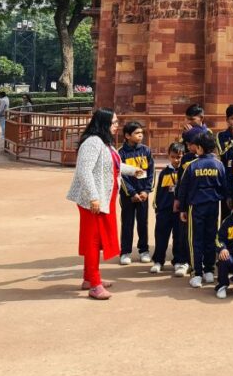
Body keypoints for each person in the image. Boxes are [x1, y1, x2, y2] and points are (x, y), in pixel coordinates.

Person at [66, 108, 145, 300]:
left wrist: (132, 170)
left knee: (96, 240)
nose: (117, 126)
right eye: (114, 122)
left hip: (103, 197)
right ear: (104, 123)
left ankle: (88, 278)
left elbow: (113, 165)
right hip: (93, 200)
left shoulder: (104, 143)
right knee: (93, 241)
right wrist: (93, 197)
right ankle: (95, 284)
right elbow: (84, 171)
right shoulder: (93, 143)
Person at [178, 130, 227, 288]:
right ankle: (209, 271)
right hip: (213, 206)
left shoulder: (192, 166)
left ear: (199, 148)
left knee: (195, 240)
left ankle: (196, 273)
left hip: (196, 207)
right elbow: (223, 187)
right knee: (211, 237)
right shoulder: (219, 165)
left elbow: (183, 189)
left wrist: (183, 209)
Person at [118, 121, 154, 265]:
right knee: (127, 223)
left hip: (143, 193)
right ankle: (125, 252)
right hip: (128, 196)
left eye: (141, 133)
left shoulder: (146, 150)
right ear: (127, 135)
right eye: (137, 133)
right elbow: (121, 175)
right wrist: (132, 193)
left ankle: (143, 250)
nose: (140, 136)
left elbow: (151, 172)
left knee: (143, 223)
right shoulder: (120, 153)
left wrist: (146, 190)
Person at [151, 142, 184, 274]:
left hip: (179, 212)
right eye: (173, 157)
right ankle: (158, 261)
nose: (176, 160)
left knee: (179, 237)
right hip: (164, 211)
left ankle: (177, 261)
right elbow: (157, 193)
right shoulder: (164, 173)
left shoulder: (185, 172)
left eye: (179, 157)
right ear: (169, 156)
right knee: (161, 237)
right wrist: (157, 208)